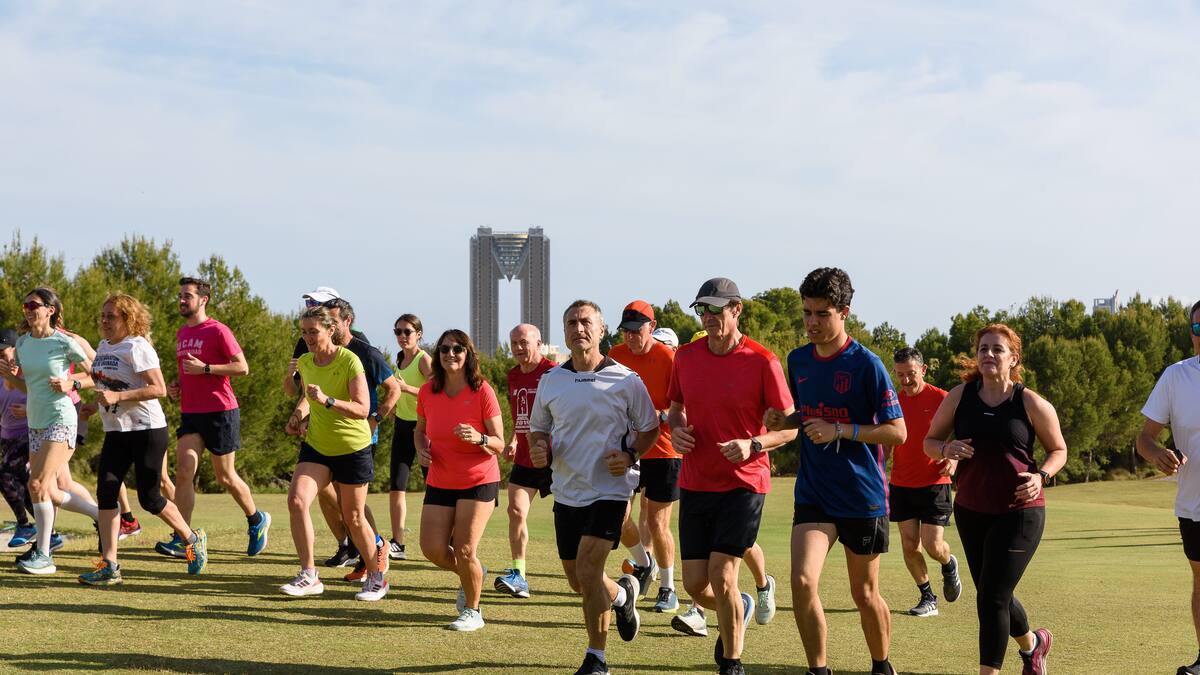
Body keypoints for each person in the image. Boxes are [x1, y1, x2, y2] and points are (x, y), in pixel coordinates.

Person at [766, 268, 907, 675]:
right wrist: (784, 420)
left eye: (821, 314)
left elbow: (898, 432)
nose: (811, 323)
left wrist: (841, 431)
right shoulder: (798, 360)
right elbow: (806, 415)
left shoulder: (868, 365)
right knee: (803, 581)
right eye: (806, 313)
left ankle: (882, 666)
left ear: (844, 312)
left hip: (862, 498)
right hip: (814, 494)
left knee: (864, 593)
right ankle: (818, 669)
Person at [667, 278, 796, 675]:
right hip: (695, 480)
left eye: (715, 310)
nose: (707, 317)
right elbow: (674, 407)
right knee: (694, 585)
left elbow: (790, 428)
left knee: (723, 574)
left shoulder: (762, 361)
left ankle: (732, 662)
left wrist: (754, 444)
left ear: (736, 309)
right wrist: (677, 428)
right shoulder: (685, 358)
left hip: (745, 481)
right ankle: (741, 605)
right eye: (701, 310)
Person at [923, 323, 1067, 675]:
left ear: (1013, 358)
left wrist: (1041, 476)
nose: (988, 354)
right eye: (983, 348)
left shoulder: (1029, 402)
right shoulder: (960, 396)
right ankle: (1034, 645)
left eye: (997, 349)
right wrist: (946, 447)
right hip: (971, 510)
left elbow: (1059, 450)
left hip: (1019, 512)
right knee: (994, 594)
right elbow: (929, 442)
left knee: (991, 597)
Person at [529, 300, 658, 675]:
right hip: (567, 490)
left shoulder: (626, 380)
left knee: (587, 570)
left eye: (586, 322)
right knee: (578, 581)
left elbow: (650, 428)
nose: (578, 328)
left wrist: (632, 454)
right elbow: (539, 427)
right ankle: (622, 594)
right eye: (571, 322)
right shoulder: (552, 379)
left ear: (602, 331)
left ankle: (596, 658)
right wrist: (540, 448)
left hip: (611, 490)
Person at [76, 293, 208, 584]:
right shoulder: (102, 346)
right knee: (106, 494)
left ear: (128, 318)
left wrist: (117, 396)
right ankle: (110, 566)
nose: (104, 320)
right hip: (116, 431)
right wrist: (93, 408)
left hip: (146, 430)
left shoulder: (138, 346)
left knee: (150, 498)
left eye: (111, 315)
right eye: (103, 315)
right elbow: (106, 385)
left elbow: (158, 388)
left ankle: (191, 539)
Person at [284, 295, 399, 583]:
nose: (308, 337)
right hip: (319, 444)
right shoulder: (308, 361)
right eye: (304, 331)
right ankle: (310, 574)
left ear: (333, 328)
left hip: (355, 443)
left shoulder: (358, 357)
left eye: (314, 331)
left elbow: (374, 401)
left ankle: (375, 563)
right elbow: (305, 396)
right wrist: (298, 415)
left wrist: (373, 417)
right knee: (300, 500)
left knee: (354, 514)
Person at [157, 277, 269, 559]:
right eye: (180, 295)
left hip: (221, 411)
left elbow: (242, 367)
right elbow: (188, 371)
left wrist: (207, 369)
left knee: (225, 477)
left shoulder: (218, 330)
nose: (182, 300)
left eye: (188, 296)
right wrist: (178, 384)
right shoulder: (181, 333)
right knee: (184, 473)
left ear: (203, 299)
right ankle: (183, 536)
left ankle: (256, 519)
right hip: (191, 413)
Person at [0, 288, 100, 574]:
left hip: (62, 418)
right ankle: (102, 515)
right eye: (25, 305)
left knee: (36, 484)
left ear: (50, 310)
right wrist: (9, 377)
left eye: (34, 305)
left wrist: (73, 384)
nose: (29, 310)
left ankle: (44, 554)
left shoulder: (64, 341)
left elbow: (98, 374)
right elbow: (28, 388)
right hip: (36, 421)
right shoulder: (23, 344)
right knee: (52, 491)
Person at [415, 329, 504, 631]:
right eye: (444, 349)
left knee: (465, 549)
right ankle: (473, 573)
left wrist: (480, 438)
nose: (450, 354)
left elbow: (500, 444)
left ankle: (474, 611)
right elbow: (420, 429)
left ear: (468, 355)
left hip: (479, 479)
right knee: (432, 549)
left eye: (457, 349)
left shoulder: (482, 391)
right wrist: (420, 448)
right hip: (440, 478)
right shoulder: (428, 391)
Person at [1136, 300, 1200, 675]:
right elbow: (1144, 438)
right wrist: (1157, 453)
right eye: (1197, 329)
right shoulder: (1176, 376)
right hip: (1193, 503)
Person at [609, 301, 681, 612]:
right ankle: (643, 561)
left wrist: (660, 415)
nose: (631, 338)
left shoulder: (669, 358)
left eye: (636, 332)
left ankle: (668, 587)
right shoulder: (615, 356)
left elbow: (688, 406)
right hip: (629, 447)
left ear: (651, 328)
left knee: (657, 521)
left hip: (665, 449)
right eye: (626, 331)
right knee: (619, 515)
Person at [889, 347, 962, 617]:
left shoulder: (943, 399)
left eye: (910, 374)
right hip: (901, 483)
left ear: (923, 370)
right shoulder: (894, 402)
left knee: (933, 545)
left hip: (935, 482)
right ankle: (927, 596)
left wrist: (954, 460)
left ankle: (948, 563)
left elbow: (964, 434)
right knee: (909, 545)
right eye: (899, 375)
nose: (905, 380)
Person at [494, 323, 556, 598]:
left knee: (574, 518)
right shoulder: (513, 376)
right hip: (525, 458)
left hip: (558, 458)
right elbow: (521, 417)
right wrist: (514, 441)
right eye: (514, 343)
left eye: (524, 342)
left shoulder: (555, 373)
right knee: (515, 511)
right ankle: (519, 575)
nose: (518, 348)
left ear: (539, 342)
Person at [387, 312, 432, 562]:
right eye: (398, 332)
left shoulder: (424, 360)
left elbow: (436, 391)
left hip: (424, 428)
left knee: (434, 487)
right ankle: (398, 543)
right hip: (403, 427)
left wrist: (406, 389)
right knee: (397, 486)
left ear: (419, 334)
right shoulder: (400, 359)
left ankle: (444, 538)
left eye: (407, 332)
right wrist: (394, 408)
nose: (402, 336)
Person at [0, 330, 35, 547]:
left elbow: (51, 400)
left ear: (16, 350)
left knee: (4, 476)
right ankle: (49, 532)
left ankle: (24, 524)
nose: (1, 357)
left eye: (3, 352)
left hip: (30, 433)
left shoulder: (30, 373)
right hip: (7, 437)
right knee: (26, 485)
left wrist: (29, 410)